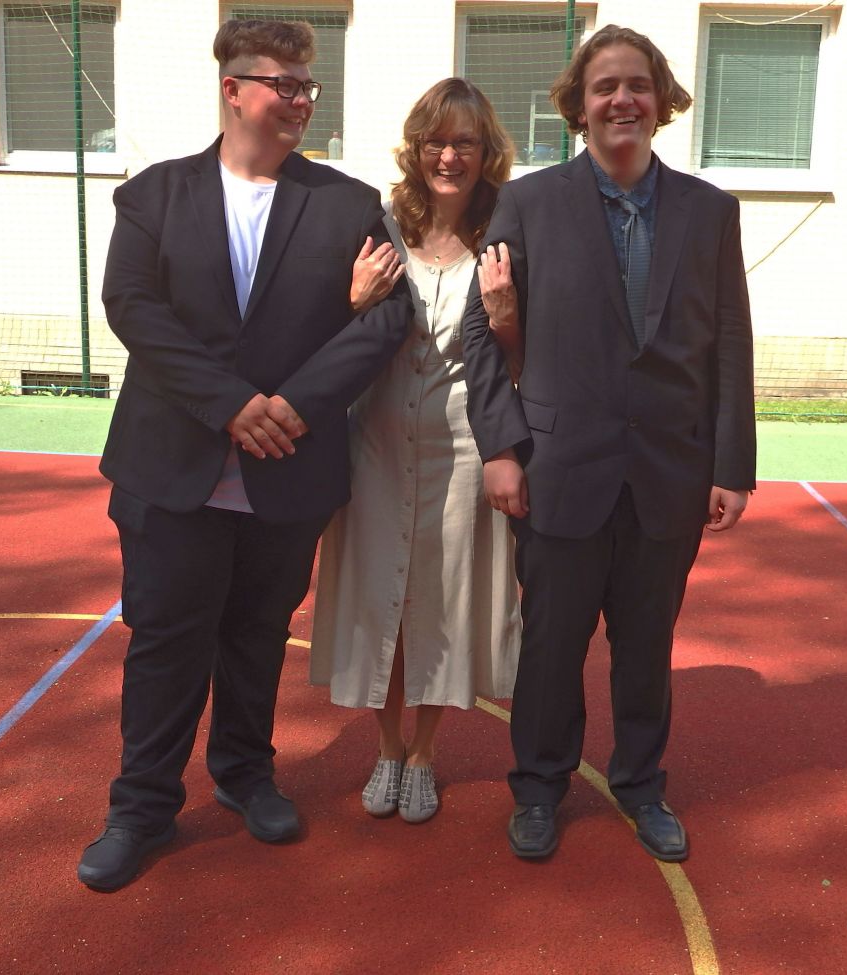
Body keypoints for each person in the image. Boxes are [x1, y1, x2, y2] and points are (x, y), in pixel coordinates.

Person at [78, 18, 412, 892]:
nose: (301, 101)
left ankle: (244, 773)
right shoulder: (154, 196)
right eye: (284, 85)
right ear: (234, 89)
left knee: (258, 635)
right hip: (171, 470)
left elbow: (388, 318)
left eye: (308, 87)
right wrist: (230, 404)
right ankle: (141, 807)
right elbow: (132, 306)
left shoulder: (348, 205)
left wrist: (295, 405)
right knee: (166, 643)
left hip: (289, 467)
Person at [461, 25, 756, 862]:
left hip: (670, 471)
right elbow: (481, 333)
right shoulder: (528, 203)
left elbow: (730, 341)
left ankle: (641, 785)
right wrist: (501, 447)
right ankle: (538, 788)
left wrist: (732, 464)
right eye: (604, 87)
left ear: (661, 102)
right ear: (578, 105)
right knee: (551, 648)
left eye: (637, 85)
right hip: (558, 469)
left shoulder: (710, 211)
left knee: (646, 649)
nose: (622, 99)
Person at [310, 79, 518, 824]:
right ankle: (388, 746)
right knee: (381, 600)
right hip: (375, 441)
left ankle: (426, 751)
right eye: (436, 141)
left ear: (486, 152)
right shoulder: (381, 226)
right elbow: (326, 333)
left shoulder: (504, 235)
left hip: (463, 445)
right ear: (416, 148)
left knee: (441, 603)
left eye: (465, 142)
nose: (449, 156)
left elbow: (523, 360)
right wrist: (353, 301)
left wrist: (506, 318)